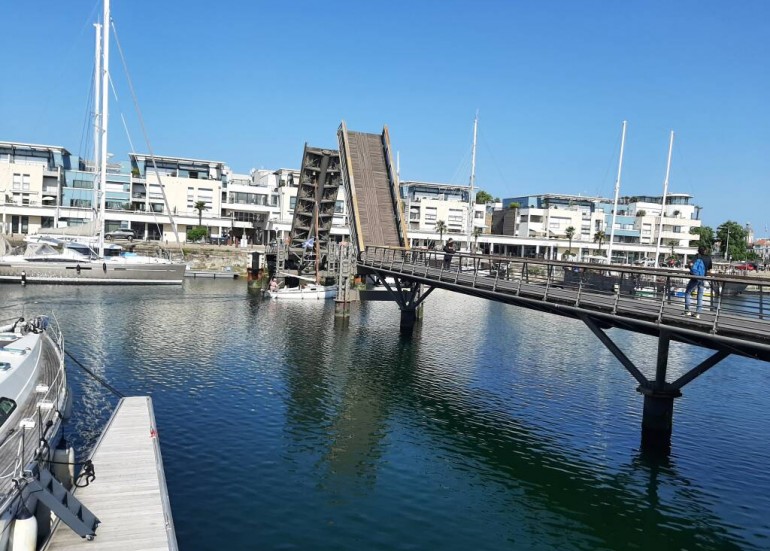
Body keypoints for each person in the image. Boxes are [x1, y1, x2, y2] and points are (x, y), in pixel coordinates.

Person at [684, 245, 712, 318]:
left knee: (688, 292)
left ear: (698, 250)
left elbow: (691, 264)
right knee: (700, 296)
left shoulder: (697, 256)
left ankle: (688, 311)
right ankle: (697, 314)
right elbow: (709, 268)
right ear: (706, 250)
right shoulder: (708, 258)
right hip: (703, 278)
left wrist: (690, 268)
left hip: (695, 278)